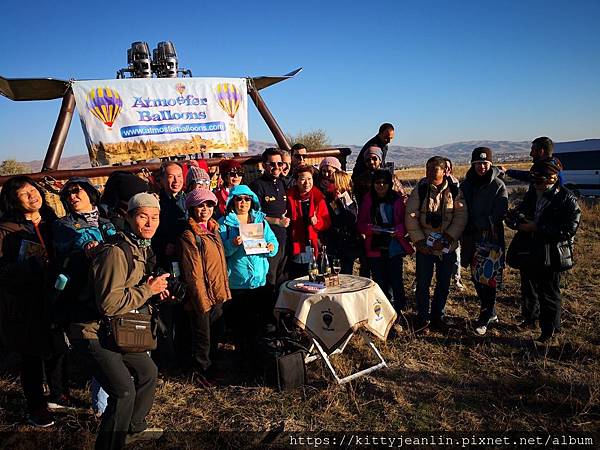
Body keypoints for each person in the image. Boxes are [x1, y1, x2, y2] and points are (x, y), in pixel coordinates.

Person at [68, 193, 167, 449]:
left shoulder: (138, 247)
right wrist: (148, 291)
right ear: (129, 218)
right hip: (91, 331)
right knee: (123, 392)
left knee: (148, 371)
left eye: (154, 217)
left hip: (112, 330)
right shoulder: (115, 251)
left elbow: (128, 289)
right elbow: (109, 304)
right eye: (143, 217)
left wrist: (153, 290)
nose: (149, 223)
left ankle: (133, 428)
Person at [53, 177, 118, 415]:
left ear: (91, 193)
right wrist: (91, 244)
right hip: (83, 293)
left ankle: (119, 397)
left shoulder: (108, 220)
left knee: (114, 343)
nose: (72, 197)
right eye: (68, 194)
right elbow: (72, 241)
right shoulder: (64, 224)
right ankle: (102, 408)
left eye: (77, 191)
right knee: (98, 347)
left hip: (110, 289)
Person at [0, 176, 59, 427]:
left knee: (58, 347)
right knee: (31, 355)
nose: (32, 196)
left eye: (33, 190)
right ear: (14, 201)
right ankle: (36, 405)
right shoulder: (6, 231)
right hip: (24, 300)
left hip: (55, 295)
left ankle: (59, 392)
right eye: (24, 194)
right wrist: (30, 266)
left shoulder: (52, 223)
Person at [506, 160, 580, 342]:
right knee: (528, 287)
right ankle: (530, 319)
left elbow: (569, 229)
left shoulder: (566, 199)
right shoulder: (533, 194)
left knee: (549, 292)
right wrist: (515, 221)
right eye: (534, 180)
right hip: (529, 250)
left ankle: (550, 330)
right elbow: (521, 211)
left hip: (551, 253)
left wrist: (537, 228)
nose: (536, 184)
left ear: (553, 178)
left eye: (540, 181)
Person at [405, 156, 467, 333]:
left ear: (444, 170)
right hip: (425, 245)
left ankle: (438, 317)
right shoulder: (421, 188)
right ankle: (423, 318)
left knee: (443, 283)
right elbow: (410, 214)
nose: (431, 172)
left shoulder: (455, 189)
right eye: (428, 168)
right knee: (423, 283)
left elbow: (461, 216)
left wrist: (448, 238)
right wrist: (420, 241)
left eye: (435, 169)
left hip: (447, 247)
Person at [218, 185, 278, 360]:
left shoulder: (260, 221)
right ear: (232, 201)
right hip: (238, 283)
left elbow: (273, 241)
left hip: (260, 281)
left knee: (260, 324)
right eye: (239, 199)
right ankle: (243, 359)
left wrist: (271, 247)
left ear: (252, 201)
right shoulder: (224, 224)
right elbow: (221, 252)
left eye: (247, 199)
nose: (243, 202)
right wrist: (232, 244)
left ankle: (260, 357)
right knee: (240, 325)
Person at [178, 189, 231, 382]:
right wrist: (201, 301)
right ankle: (201, 373)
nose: (205, 209)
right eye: (200, 205)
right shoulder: (190, 235)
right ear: (191, 208)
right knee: (202, 339)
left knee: (215, 334)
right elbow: (194, 274)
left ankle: (213, 368)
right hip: (201, 296)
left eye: (209, 205)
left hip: (217, 292)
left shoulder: (213, 228)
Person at [459, 148, 508, 336]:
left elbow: (499, 213)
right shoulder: (466, 185)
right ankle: (490, 311)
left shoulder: (498, 185)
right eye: (477, 164)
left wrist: (478, 223)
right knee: (475, 277)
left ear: (491, 164)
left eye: (485, 163)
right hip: (470, 238)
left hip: (490, 239)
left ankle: (485, 316)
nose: (481, 167)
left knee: (488, 279)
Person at [357, 170, 414, 313]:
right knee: (380, 281)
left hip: (394, 245)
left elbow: (405, 222)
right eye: (377, 182)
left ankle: (399, 311)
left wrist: (398, 230)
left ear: (390, 184)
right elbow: (360, 223)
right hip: (375, 246)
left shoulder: (397, 200)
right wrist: (370, 229)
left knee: (396, 280)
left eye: (384, 182)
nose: (381, 185)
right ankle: (382, 312)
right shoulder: (368, 199)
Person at [152, 161, 188, 371]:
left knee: (185, 311)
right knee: (166, 312)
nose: (176, 181)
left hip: (186, 263)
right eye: (171, 177)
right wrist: (162, 246)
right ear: (162, 180)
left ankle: (184, 355)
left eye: (179, 177)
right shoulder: (156, 203)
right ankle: (166, 359)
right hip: (164, 264)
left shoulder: (188, 201)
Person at [249, 148, 290, 292]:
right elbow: (252, 214)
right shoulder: (257, 185)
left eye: (280, 164)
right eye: (272, 164)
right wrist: (276, 221)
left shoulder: (282, 183)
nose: (276, 167)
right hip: (268, 240)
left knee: (282, 279)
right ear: (264, 165)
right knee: (269, 280)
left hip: (284, 239)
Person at [285, 165, 331, 279]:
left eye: (309, 179)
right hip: (295, 242)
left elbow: (327, 222)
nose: (307, 183)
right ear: (296, 181)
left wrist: (317, 222)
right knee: (298, 277)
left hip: (313, 243)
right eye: (303, 179)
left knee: (314, 276)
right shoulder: (289, 197)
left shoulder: (318, 197)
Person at [322, 171, 361, 274]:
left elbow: (351, 220)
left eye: (331, 181)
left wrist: (341, 203)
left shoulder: (348, 199)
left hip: (346, 246)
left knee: (345, 275)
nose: (327, 183)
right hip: (332, 245)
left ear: (339, 184)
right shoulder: (327, 198)